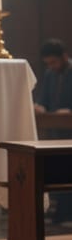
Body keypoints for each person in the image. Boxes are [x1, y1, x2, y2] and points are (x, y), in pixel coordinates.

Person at [34, 38, 72, 224]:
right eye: (48, 63)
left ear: (64, 56)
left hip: (70, 130)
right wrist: (40, 106)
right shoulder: (50, 74)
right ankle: (58, 211)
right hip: (55, 129)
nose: (51, 66)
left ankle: (67, 212)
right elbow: (44, 99)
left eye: (54, 62)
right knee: (57, 168)